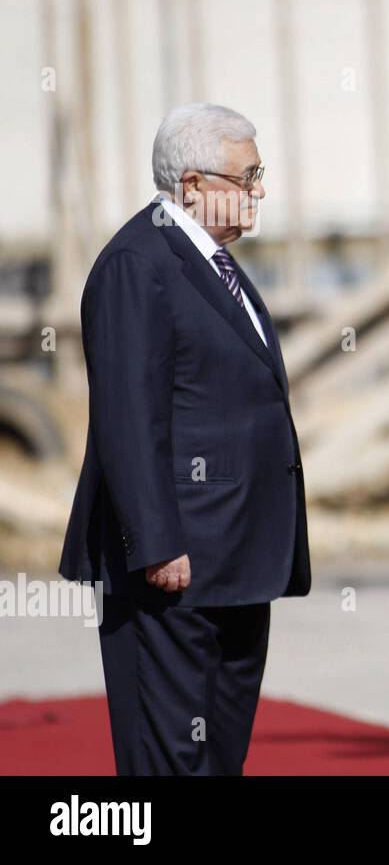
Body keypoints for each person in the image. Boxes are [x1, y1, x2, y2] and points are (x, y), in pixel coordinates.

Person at [60, 102, 311, 775]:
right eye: (248, 176)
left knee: (218, 753)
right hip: (175, 563)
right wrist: (155, 541)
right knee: (169, 758)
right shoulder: (137, 265)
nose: (260, 192)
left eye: (261, 174)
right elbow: (127, 417)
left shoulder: (213, 264)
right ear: (194, 185)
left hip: (238, 557)